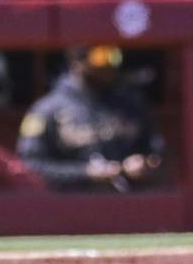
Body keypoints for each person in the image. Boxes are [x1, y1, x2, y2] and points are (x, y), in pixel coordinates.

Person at [17, 45, 161, 190]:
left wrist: (144, 163)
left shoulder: (130, 104)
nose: (110, 64)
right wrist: (84, 173)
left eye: (114, 55)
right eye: (101, 57)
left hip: (128, 199)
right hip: (71, 200)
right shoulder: (46, 109)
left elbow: (155, 151)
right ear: (76, 63)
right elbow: (30, 165)